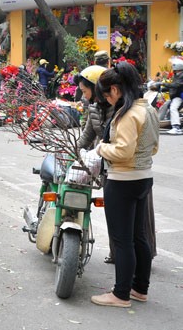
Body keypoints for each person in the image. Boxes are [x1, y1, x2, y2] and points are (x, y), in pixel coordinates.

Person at [90, 62, 159, 308]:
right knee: (139, 236)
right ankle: (140, 288)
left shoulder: (128, 114)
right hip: (143, 178)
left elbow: (123, 151)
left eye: (107, 94)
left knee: (122, 240)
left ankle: (120, 294)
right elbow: (154, 147)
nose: (107, 99)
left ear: (116, 90)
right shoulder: (148, 109)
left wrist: (101, 147)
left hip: (122, 180)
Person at [165, 60, 183, 135]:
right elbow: (173, 86)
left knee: (173, 108)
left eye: (175, 68)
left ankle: (176, 127)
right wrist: (162, 88)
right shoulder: (177, 75)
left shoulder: (181, 76)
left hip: (179, 96)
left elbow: (176, 85)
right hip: (177, 95)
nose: (174, 70)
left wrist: (162, 83)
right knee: (167, 107)